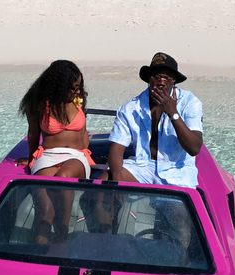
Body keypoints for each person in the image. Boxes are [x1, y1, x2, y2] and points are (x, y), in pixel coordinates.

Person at [18, 60, 94, 243]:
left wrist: (89, 154)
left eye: (78, 86)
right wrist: (31, 160)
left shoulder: (78, 100)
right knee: (45, 214)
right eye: (73, 87)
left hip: (77, 156)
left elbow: (83, 132)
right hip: (48, 156)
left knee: (65, 175)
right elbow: (33, 134)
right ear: (59, 87)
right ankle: (38, 257)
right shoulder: (38, 104)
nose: (77, 91)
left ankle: (63, 228)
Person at [107, 52, 203, 188]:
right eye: (157, 77)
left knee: (176, 207)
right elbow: (116, 148)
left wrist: (172, 112)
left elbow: (194, 148)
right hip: (142, 166)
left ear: (174, 81)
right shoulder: (130, 108)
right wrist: (117, 179)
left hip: (177, 169)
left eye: (167, 78)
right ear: (149, 79)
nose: (162, 83)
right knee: (103, 185)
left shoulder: (190, 102)